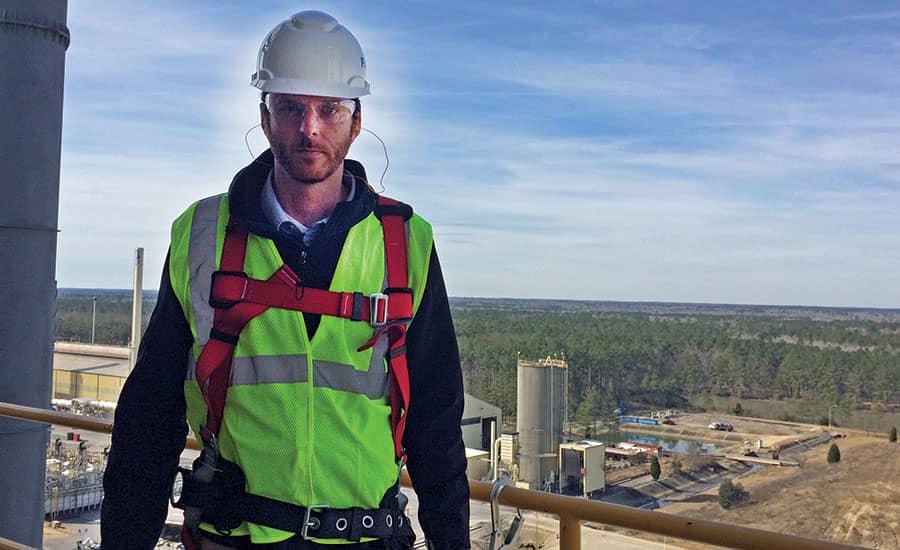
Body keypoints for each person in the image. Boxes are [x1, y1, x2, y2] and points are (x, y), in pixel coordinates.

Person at [101, 10, 470, 550]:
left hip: (365, 539)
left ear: (356, 122)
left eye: (330, 109)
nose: (309, 128)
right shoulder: (202, 235)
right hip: (236, 537)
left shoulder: (404, 242)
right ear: (265, 116)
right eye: (291, 107)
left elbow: (436, 424)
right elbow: (149, 420)